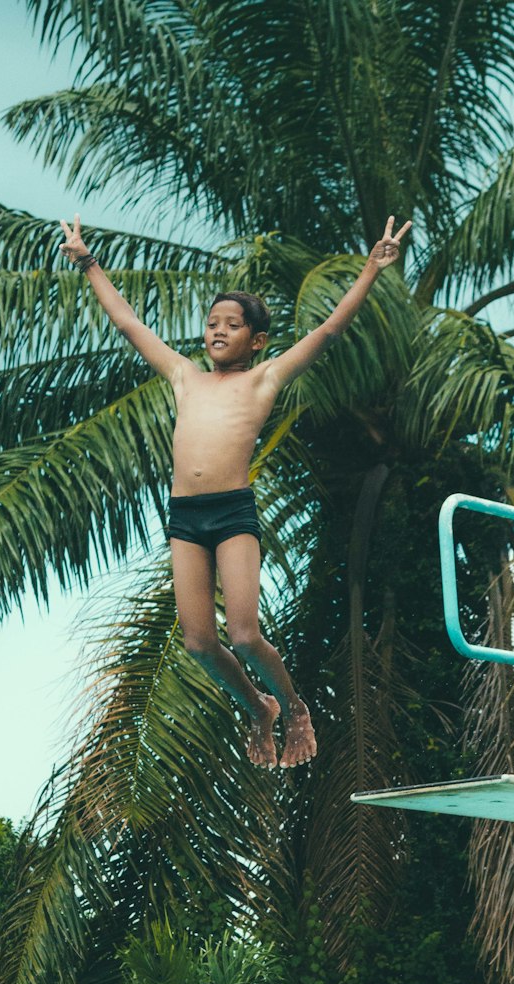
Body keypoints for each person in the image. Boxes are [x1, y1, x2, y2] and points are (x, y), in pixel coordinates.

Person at [58, 213, 412, 767]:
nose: (218, 330)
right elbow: (128, 323)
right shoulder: (183, 376)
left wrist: (371, 267)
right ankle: (258, 707)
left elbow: (329, 330)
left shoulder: (264, 378)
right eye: (212, 322)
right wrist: (87, 261)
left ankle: (295, 707)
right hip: (184, 516)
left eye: (232, 324)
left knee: (245, 634)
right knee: (199, 643)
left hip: (232, 513)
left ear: (257, 339)